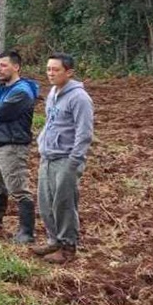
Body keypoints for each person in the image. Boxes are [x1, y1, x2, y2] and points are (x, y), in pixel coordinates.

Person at [32, 53, 94, 264]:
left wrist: (74, 161)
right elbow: (50, 122)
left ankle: (68, 247)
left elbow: (84, 133)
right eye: (48, 69)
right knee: (46, 201)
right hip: (48, 156)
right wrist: (42, 143)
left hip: (67, 159)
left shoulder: (79, 98)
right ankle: (54, 241)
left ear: (69, 72)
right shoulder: (52, 93)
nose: (50, 73)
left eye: (55, 70)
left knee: (64, 204)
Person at [0, 51, 40, 244]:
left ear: (16, 67)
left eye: (4, 65)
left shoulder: (22, 91)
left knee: (18, 188)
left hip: (13, 146)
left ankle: (26, 231)